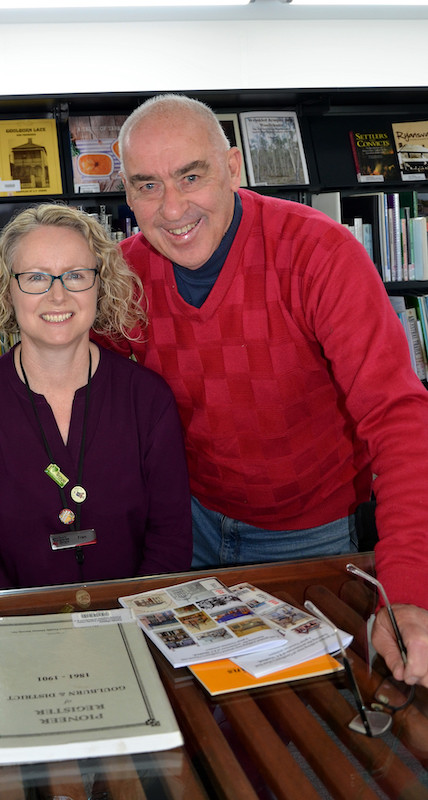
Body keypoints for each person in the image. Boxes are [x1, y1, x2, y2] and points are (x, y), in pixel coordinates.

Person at [110, 92, 428, 687]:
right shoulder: (121, 276)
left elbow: (399, 416)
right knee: (193, 704)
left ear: (233, 167)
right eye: (147, 185)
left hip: (312, 527)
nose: (172, 207)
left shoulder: (319, 253)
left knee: (314, 709)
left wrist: (409, 589)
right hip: (190, 519)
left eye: (191, 175)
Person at [0, 203, 192, 592]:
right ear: (7, 290)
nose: (58, 295)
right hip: (19, 632)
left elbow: (170, 542)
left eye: (75, 275)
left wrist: (132, 622)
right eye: (37, 277)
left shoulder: (148, 400)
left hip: (134, 625)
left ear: (100, 285)